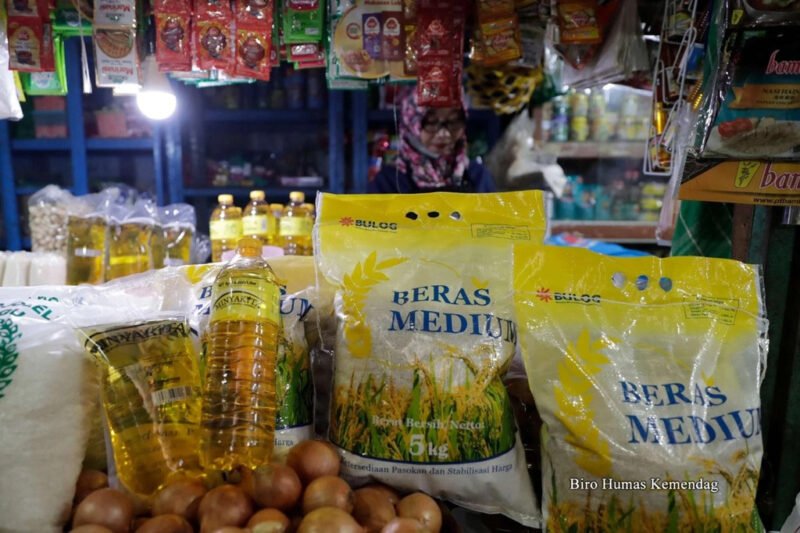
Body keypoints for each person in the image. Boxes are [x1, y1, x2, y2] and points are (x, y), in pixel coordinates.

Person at [368, 89, 496, 193]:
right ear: (411, 123)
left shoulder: (477, 175)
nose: (444, 133)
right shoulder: (389, 180)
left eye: (453, 121)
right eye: (432, 122)